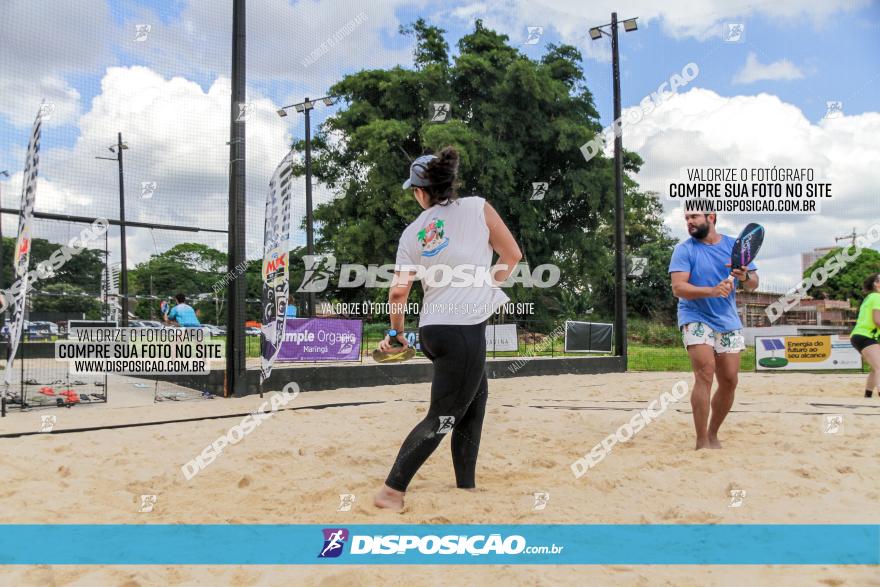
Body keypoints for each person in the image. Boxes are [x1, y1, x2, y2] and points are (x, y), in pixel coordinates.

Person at [374, 147, 522, 511]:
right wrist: (486, 283)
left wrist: (396, 333)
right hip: (463, 328)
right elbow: (512, 256)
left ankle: (465, 485)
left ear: (421, 191)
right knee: (443, 415)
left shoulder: (412, 232)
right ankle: (391, 492)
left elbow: (398, 291)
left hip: (433, 330)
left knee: (474, 404)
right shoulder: (477, 207)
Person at [669, 212, 759, 450]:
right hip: (694, 315)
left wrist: (745, 274)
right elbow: (678, 288)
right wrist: (710, 291)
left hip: (727, 319)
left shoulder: (733, 246)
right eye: (686, 217)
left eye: (694, 216)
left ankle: (712, 433)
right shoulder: (684, 250)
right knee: (705, 373)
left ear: (711, 217)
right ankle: (701, 442)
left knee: (729, 379)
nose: (689, 221)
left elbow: (753, 283)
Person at [849, 273, 880, 398]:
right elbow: (877, 320)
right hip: (865, 336)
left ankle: (867, 395)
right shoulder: (877, 297)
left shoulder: (869, 297)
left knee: (875, 367)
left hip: (860, 336)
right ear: (876, 284)